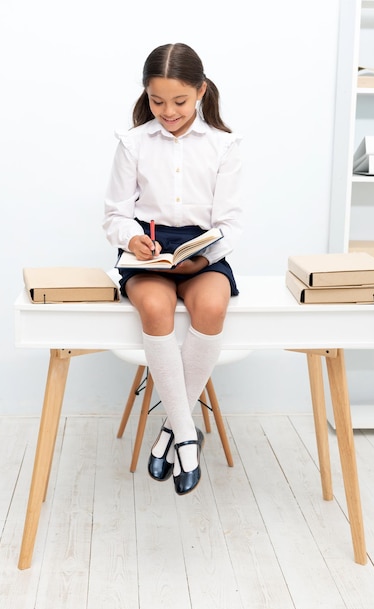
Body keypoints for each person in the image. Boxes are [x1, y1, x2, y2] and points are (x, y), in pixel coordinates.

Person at [103, 42, 242, 496]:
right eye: (157, 101)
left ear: (200, 92)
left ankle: (170, 429)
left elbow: (231, 223)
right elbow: (115, 215)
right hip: (151, 248)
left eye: (179, 102)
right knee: (155, 310)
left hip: (204, 249)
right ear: (147, 94)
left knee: (212, 307)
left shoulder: (224, 145)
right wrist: (131, 239)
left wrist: (207, 256)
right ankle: (186, 435)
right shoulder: (133, 142)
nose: (168, 111)